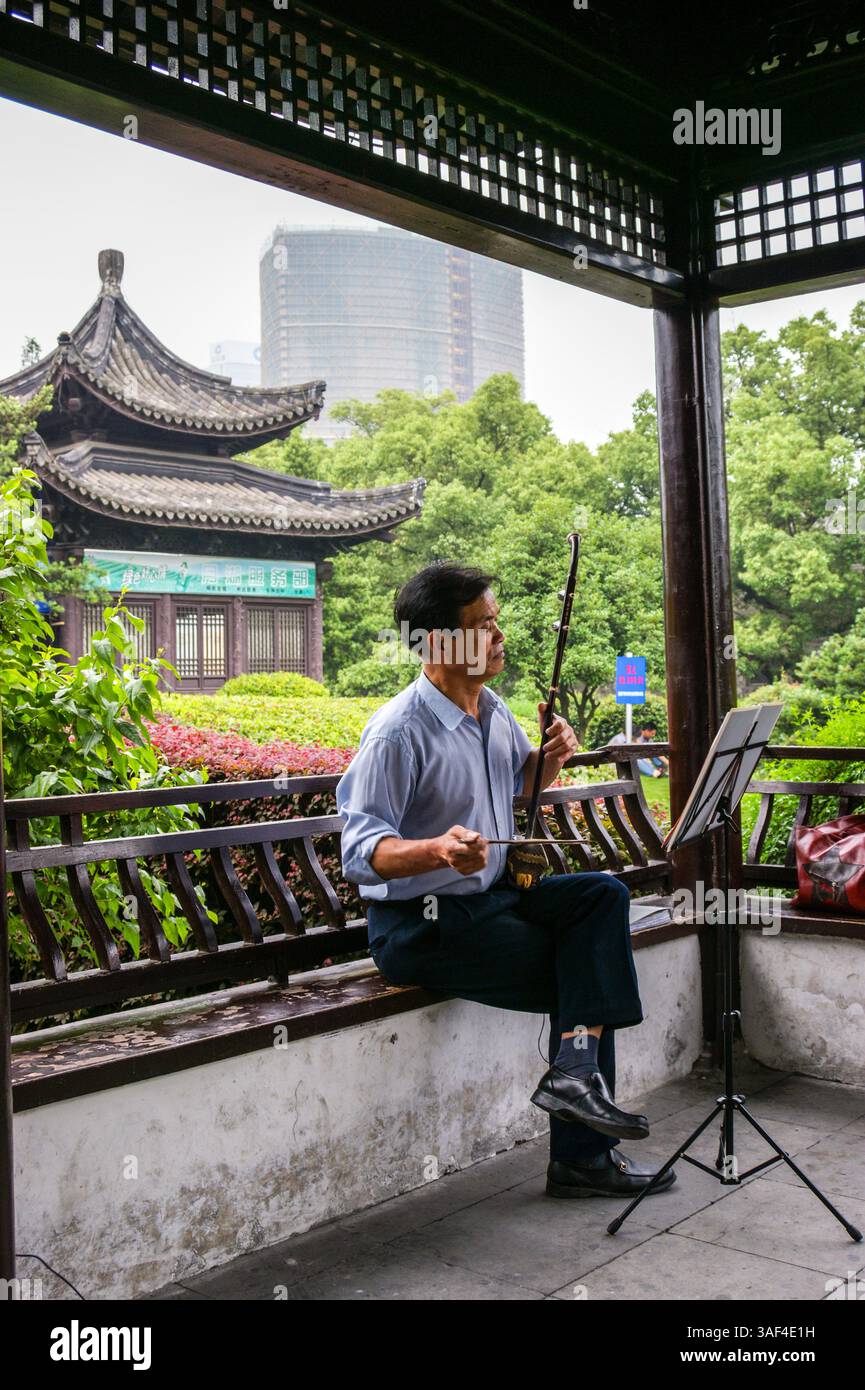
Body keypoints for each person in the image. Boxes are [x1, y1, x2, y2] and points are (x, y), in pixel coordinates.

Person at [335, 562, 677, 1199]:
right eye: (483, 625)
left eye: (497, 622)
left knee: (601, 896)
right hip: (424, 925)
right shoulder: (398, 732)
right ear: (437, 642)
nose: (499, 636)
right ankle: (582, 1152)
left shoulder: (493, 712)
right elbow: (361, 852)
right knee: (584, 969)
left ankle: (573, 1076)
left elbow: (511, 795)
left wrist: (543, 766)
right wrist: (436, 850)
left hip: (492, 900)